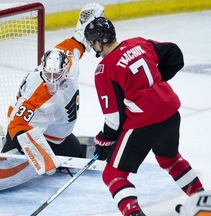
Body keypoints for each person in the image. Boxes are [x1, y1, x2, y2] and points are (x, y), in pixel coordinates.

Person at [0, 3, 104, 200]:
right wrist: (40, 154)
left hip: (54, 135)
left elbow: (76, 42)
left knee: (75, 154)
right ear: (43, 68)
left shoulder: (69, 60)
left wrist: (87, 25)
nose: (52, 81)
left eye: (57, 75)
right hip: (26, 132)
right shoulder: (37, 95)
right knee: (21, 166)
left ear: (65, 70)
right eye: (48, 75)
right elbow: (18, 124)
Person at [84, 17, 205, 216]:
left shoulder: (104, 70)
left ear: (98, 42)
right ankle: (202, 203)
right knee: (171, 159)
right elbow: (174, 54)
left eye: (92, 42)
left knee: (113, 174)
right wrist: (153, 85)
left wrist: (105, 140)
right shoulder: (138, 43)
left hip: (145, 123)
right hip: (170, 113)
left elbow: (114, 118)